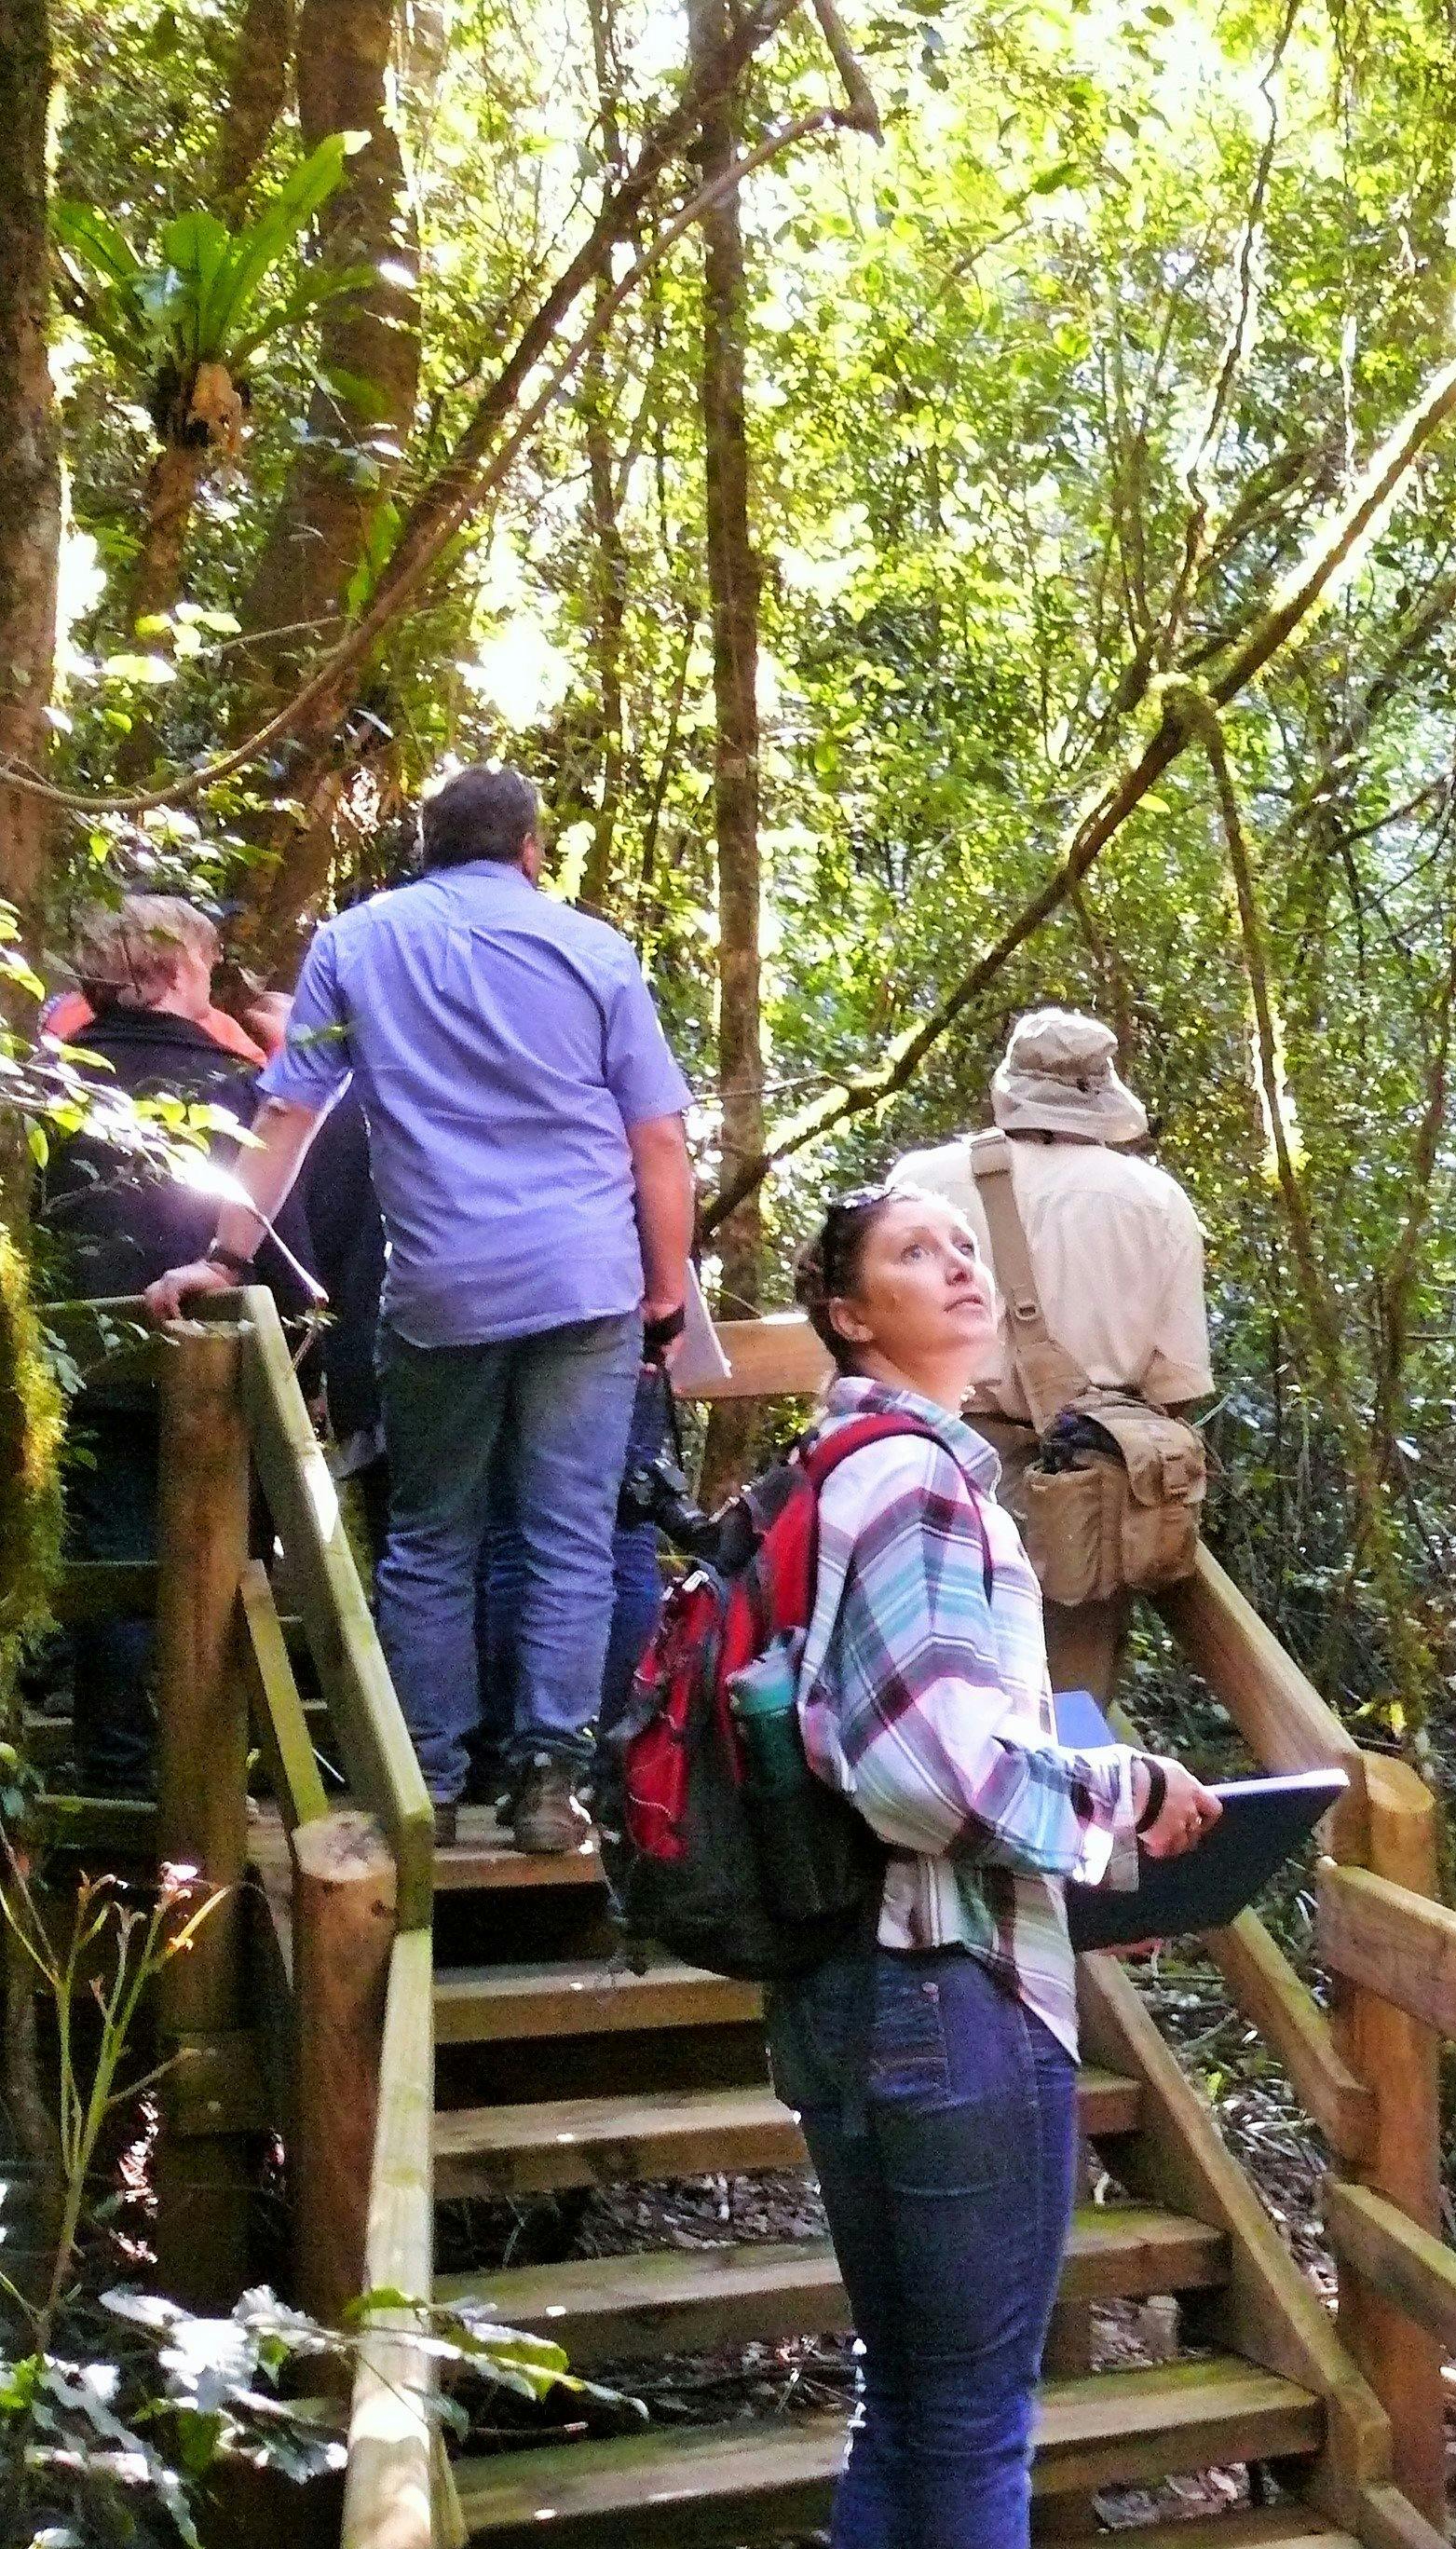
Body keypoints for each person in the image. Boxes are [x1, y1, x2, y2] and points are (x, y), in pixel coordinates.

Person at [767, 1185, 1218, 2549]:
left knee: (908, 2408)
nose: (959, 1266)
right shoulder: (915, 1485)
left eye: (962, 1245)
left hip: (855, 1982)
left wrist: (1077, 1859)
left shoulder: (835, 1471)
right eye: (917, 1254)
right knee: (969, 2427)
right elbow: (929, 1772)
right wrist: (1119, 1796)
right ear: (850, 1317)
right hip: (947, 1996)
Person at [147, 766, 696, 1851]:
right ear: (531, 848)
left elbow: (289, 1111)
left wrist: (225, 1252)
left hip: (444, 1281)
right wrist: (667, 1289)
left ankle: (427, 1784)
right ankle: (548, 1783)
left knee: (431, 1536)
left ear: (425, 846)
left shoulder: (357, 943)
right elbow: (660, 1138)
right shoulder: (591, 948)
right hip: (587, 1282)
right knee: (570, 1535)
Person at [38, 899, 294, 1792]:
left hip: (91, 1363)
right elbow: (281, 1222)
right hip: (224, 1361)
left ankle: (118, 1765)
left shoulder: (49, 1088)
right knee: (232, 1560)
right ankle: (219, 1771)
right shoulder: (243, 1089)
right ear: (186, 972)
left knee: (113, 1556)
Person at [887, 1010, 1211, 1696]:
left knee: (932, 1682)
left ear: (1009, 1087)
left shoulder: (921, 1183)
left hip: (935, 1462)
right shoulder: (1157, 1202)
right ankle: (1071, 1795)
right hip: (1087, 1492)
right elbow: (1175, 1386)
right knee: (1069, 1700)